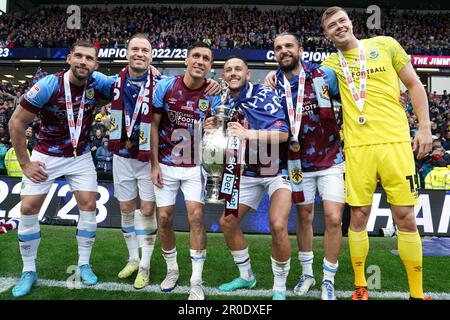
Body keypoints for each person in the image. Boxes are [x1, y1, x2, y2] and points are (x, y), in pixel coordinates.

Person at [320, 6, 432, 300]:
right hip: (358, 148)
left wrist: (424, 127)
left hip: (396, 143)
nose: (339, 27)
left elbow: (413, 84)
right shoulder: (331, 64)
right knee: (359, 216)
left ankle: (417, 294)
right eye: (332, 25)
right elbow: (302, 79)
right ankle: (361, 286)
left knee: (406, 216)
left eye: (342, 20)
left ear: (351, 22)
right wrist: (272, 77)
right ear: (327, 35)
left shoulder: (386, 44)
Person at [8, 40, 115, 297]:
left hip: (80, 156)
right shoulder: (48, 85)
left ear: (95, 65)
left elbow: (127, 82)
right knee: (28, 208)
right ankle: (29, 270)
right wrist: (25, 163)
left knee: (89, 206)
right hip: (47, 155)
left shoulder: (96, 84)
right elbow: (16, 123)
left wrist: (152, 72)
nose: (83, 62)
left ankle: (84, 264)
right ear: (69, 58)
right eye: (78, 56)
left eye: (89, 58)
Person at [206, 56, 292, 300]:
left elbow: (282, 134)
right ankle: (246, 277)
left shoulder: (263, 93)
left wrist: (247, 133)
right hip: (245, 172)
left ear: (247, 73)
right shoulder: (221, 100)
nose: (233, 73)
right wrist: (212, 128)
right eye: (228, 69)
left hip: (276, 170)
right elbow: (224, 136)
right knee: (227, 222)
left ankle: (279, 287)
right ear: (223, 76)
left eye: (238, 69)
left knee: (277, 224)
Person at [270, 32, 344, 300]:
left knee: (334, 218)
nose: (284, 51)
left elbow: (350, 99)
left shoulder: (323, 76)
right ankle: (308, 273)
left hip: (331, 158)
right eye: (279, 48)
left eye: (289, 46)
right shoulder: (272, 86)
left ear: (300, 49)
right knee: (304, 217)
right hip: (295, 163)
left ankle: (328, 279)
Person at [151, 42, 221, 300]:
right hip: (166, 165)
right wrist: (154, 164)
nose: (200, 61)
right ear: (187, 60)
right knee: (165, 219)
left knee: (196, 218)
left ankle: (196, 281)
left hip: (195, 167)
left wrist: (213, 128)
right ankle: (172, 270)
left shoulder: (214, 94)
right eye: (196, 56)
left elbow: (216, 132)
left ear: (210, 66)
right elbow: (153, 126)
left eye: (206, 58)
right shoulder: (165, 87)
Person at [107, 33, 160, 289]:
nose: (140, 54)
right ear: (127, 53)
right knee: (127, 210)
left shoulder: (161, 83)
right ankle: (132, 258)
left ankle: (146, 264)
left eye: (145, 50)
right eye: (135, 49)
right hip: (121, 157)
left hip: (149, 159)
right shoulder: (111, 82)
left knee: (148, 211)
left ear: (151, 56)